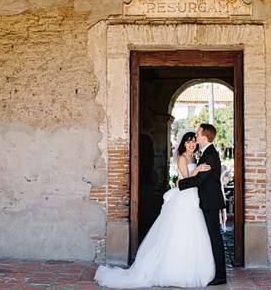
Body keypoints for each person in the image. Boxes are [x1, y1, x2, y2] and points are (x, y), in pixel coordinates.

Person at [94, 130, 215, 288]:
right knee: (179, 233)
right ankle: (174, 271)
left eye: (193, 141)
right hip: (184, 199)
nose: (191, 144)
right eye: (188, 142)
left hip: (193, 199)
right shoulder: (182, 158)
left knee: (192, 233)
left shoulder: (194, 157)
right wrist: (198, 170)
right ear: (183, 144)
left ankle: (191, 268)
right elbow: (186, 179)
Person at [179, 123, 228, 286]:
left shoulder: (208, 155)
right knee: (212, 236)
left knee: (215, 237)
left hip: (210, 201)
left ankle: (221, 275)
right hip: (208, 200)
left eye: (198, 134)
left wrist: (180, 184)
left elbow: (200, 180)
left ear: (205, 137)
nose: (196, 136)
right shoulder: (207, 153)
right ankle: (216, 271)